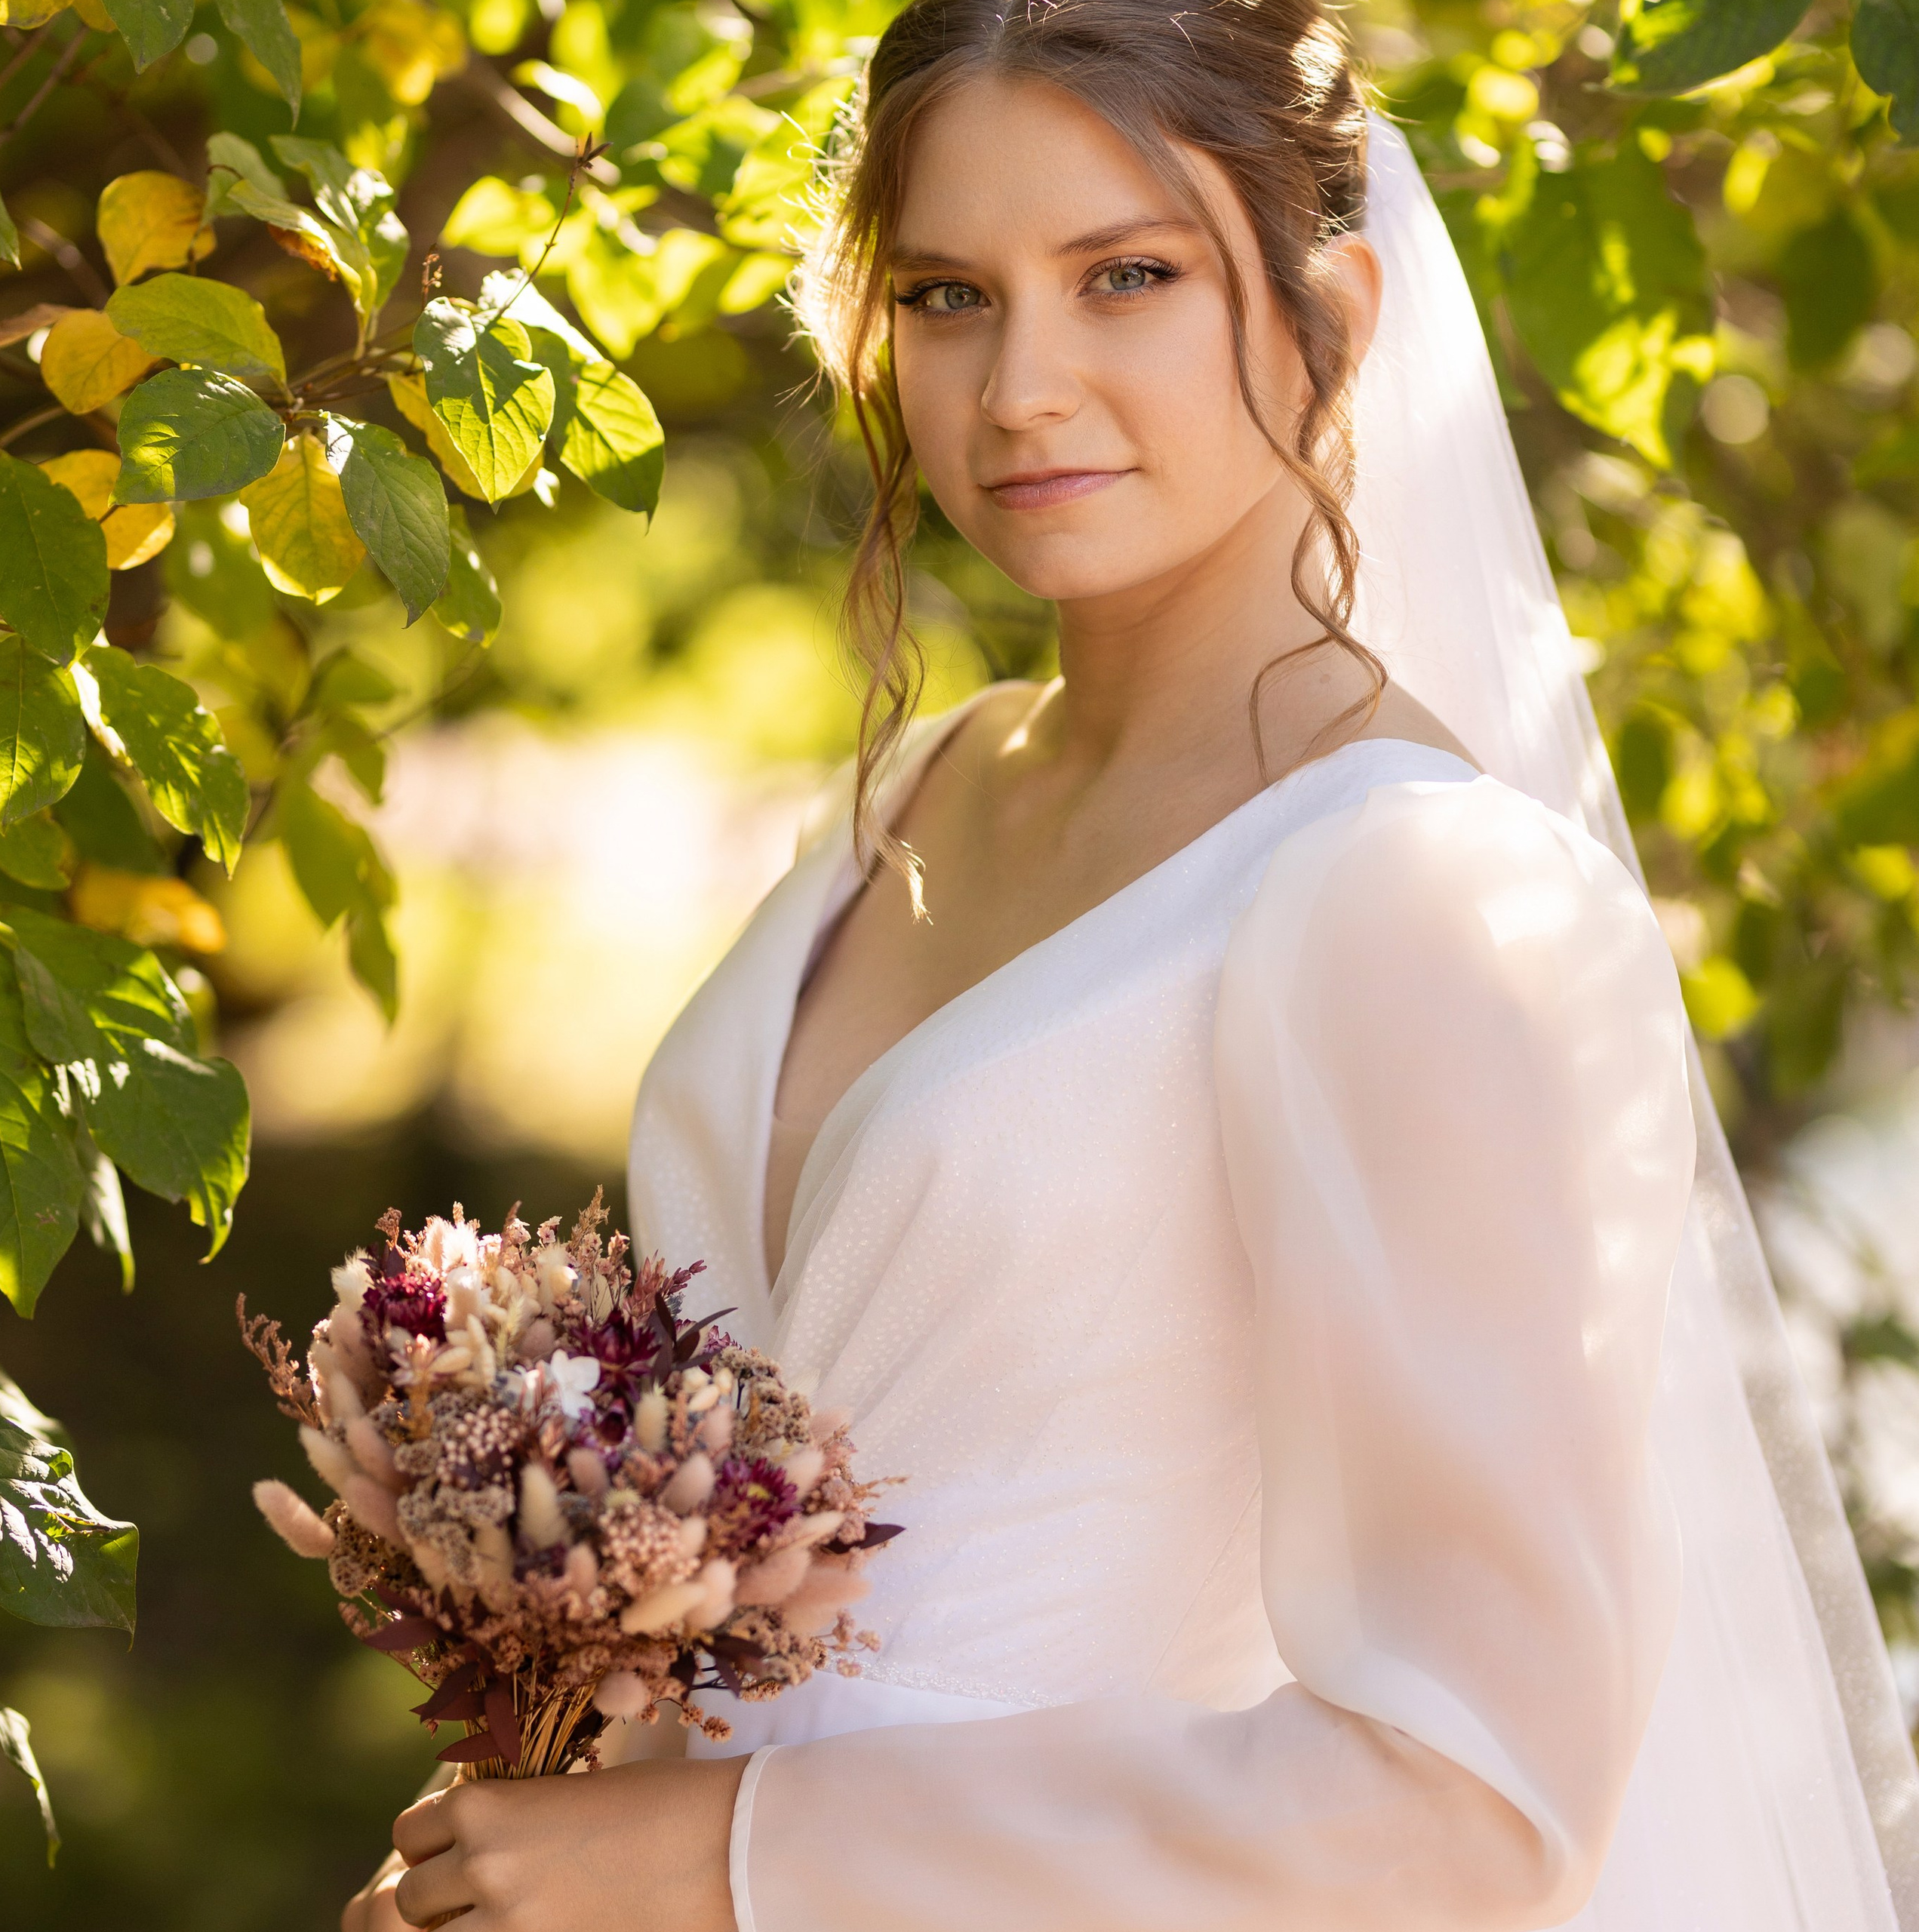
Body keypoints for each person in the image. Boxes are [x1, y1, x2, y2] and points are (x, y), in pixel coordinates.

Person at [349, 2, 1919, 1926]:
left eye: (1127, 277)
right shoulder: (910, 794)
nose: (1021, 388)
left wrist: (725, 1857)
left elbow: (1465, 1807)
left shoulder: (1419, 897)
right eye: (946, 295)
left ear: (1330, 315)